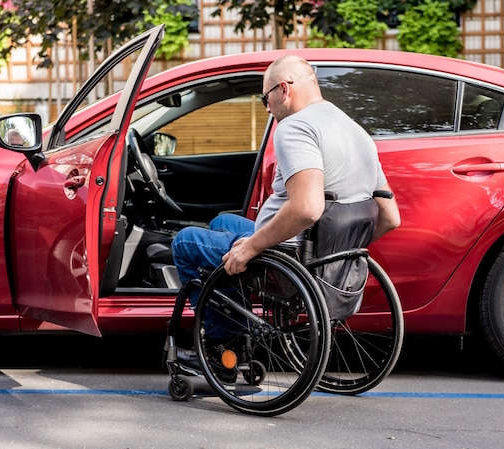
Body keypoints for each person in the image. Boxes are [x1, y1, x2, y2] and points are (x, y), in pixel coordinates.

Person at [171, 54, 400, 346]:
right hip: (316, 254)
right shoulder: (356, 131)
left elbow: (307, 209)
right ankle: (233, 313)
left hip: (286, 259)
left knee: (185, 242)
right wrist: (338, 249)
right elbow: (390, 217)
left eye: (265, 99)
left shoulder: (295, 127)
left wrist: (251, 248)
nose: (267, 109)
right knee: (221, 221)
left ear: (283, 89)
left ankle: (222, 345)